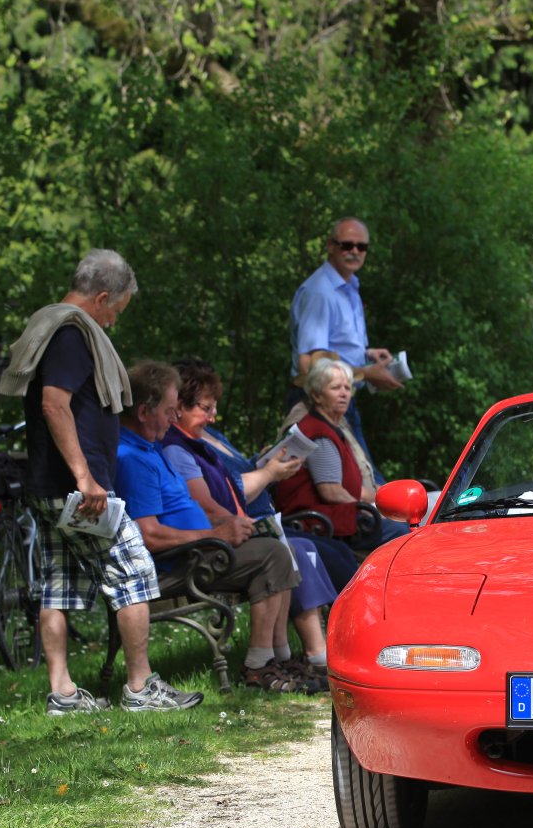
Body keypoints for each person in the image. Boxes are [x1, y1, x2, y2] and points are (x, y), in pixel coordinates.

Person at [0, 248, 202, 716]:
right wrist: (85, 477)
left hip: (51, 485)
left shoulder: (50, 325)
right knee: (135, 572)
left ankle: (64, 694)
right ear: (103, 297)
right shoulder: (71, 333)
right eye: (116, 310)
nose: (112, 322)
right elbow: (54, 404)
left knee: (57, 584)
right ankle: (140, 687)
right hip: (79, 491)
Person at [113, 361, 306, 693]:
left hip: (198, 552)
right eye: (170, 411)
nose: (174, 418)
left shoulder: (149, 446)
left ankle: (275, 657)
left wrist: (227, 525)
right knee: (272, 554)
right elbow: (149, 535)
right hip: (178, 563)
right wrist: (215, 535)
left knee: (276, 547)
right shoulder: (133, 458)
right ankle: (259, 666)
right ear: (144, 412)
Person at [162, 361, 345, 690]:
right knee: (278, 551)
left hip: (216, 539)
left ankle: (281, 658)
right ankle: (263, 664)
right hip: (198, 550)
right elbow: (205, 506)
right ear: (178, 407)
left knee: (291, 549)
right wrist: (236, 523)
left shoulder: (196, 442)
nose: (213, 417)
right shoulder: (176, 448)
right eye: (206, 408)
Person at [289, 217, 399, 480]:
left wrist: (366, 354)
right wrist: (367, 373)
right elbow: (309, 364)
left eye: (362, 247)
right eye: (347, 245)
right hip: (318, 404)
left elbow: (333, 346)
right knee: (360, 483)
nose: (355, 252)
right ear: (330, 245)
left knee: (363, 479)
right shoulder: (320, 292)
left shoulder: (348, 285)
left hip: (339, 400)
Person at [273, 357, 411, 552]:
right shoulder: (318, 433)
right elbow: (331, 491)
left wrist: (388, 500)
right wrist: (371, 509)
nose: (344, 394)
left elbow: (352, 488)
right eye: (336, 388)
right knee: (400, 531)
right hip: (322, 523)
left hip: (338, 516)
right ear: (316, 395)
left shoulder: (333, 428)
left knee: (405, 520)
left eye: (347, 388)